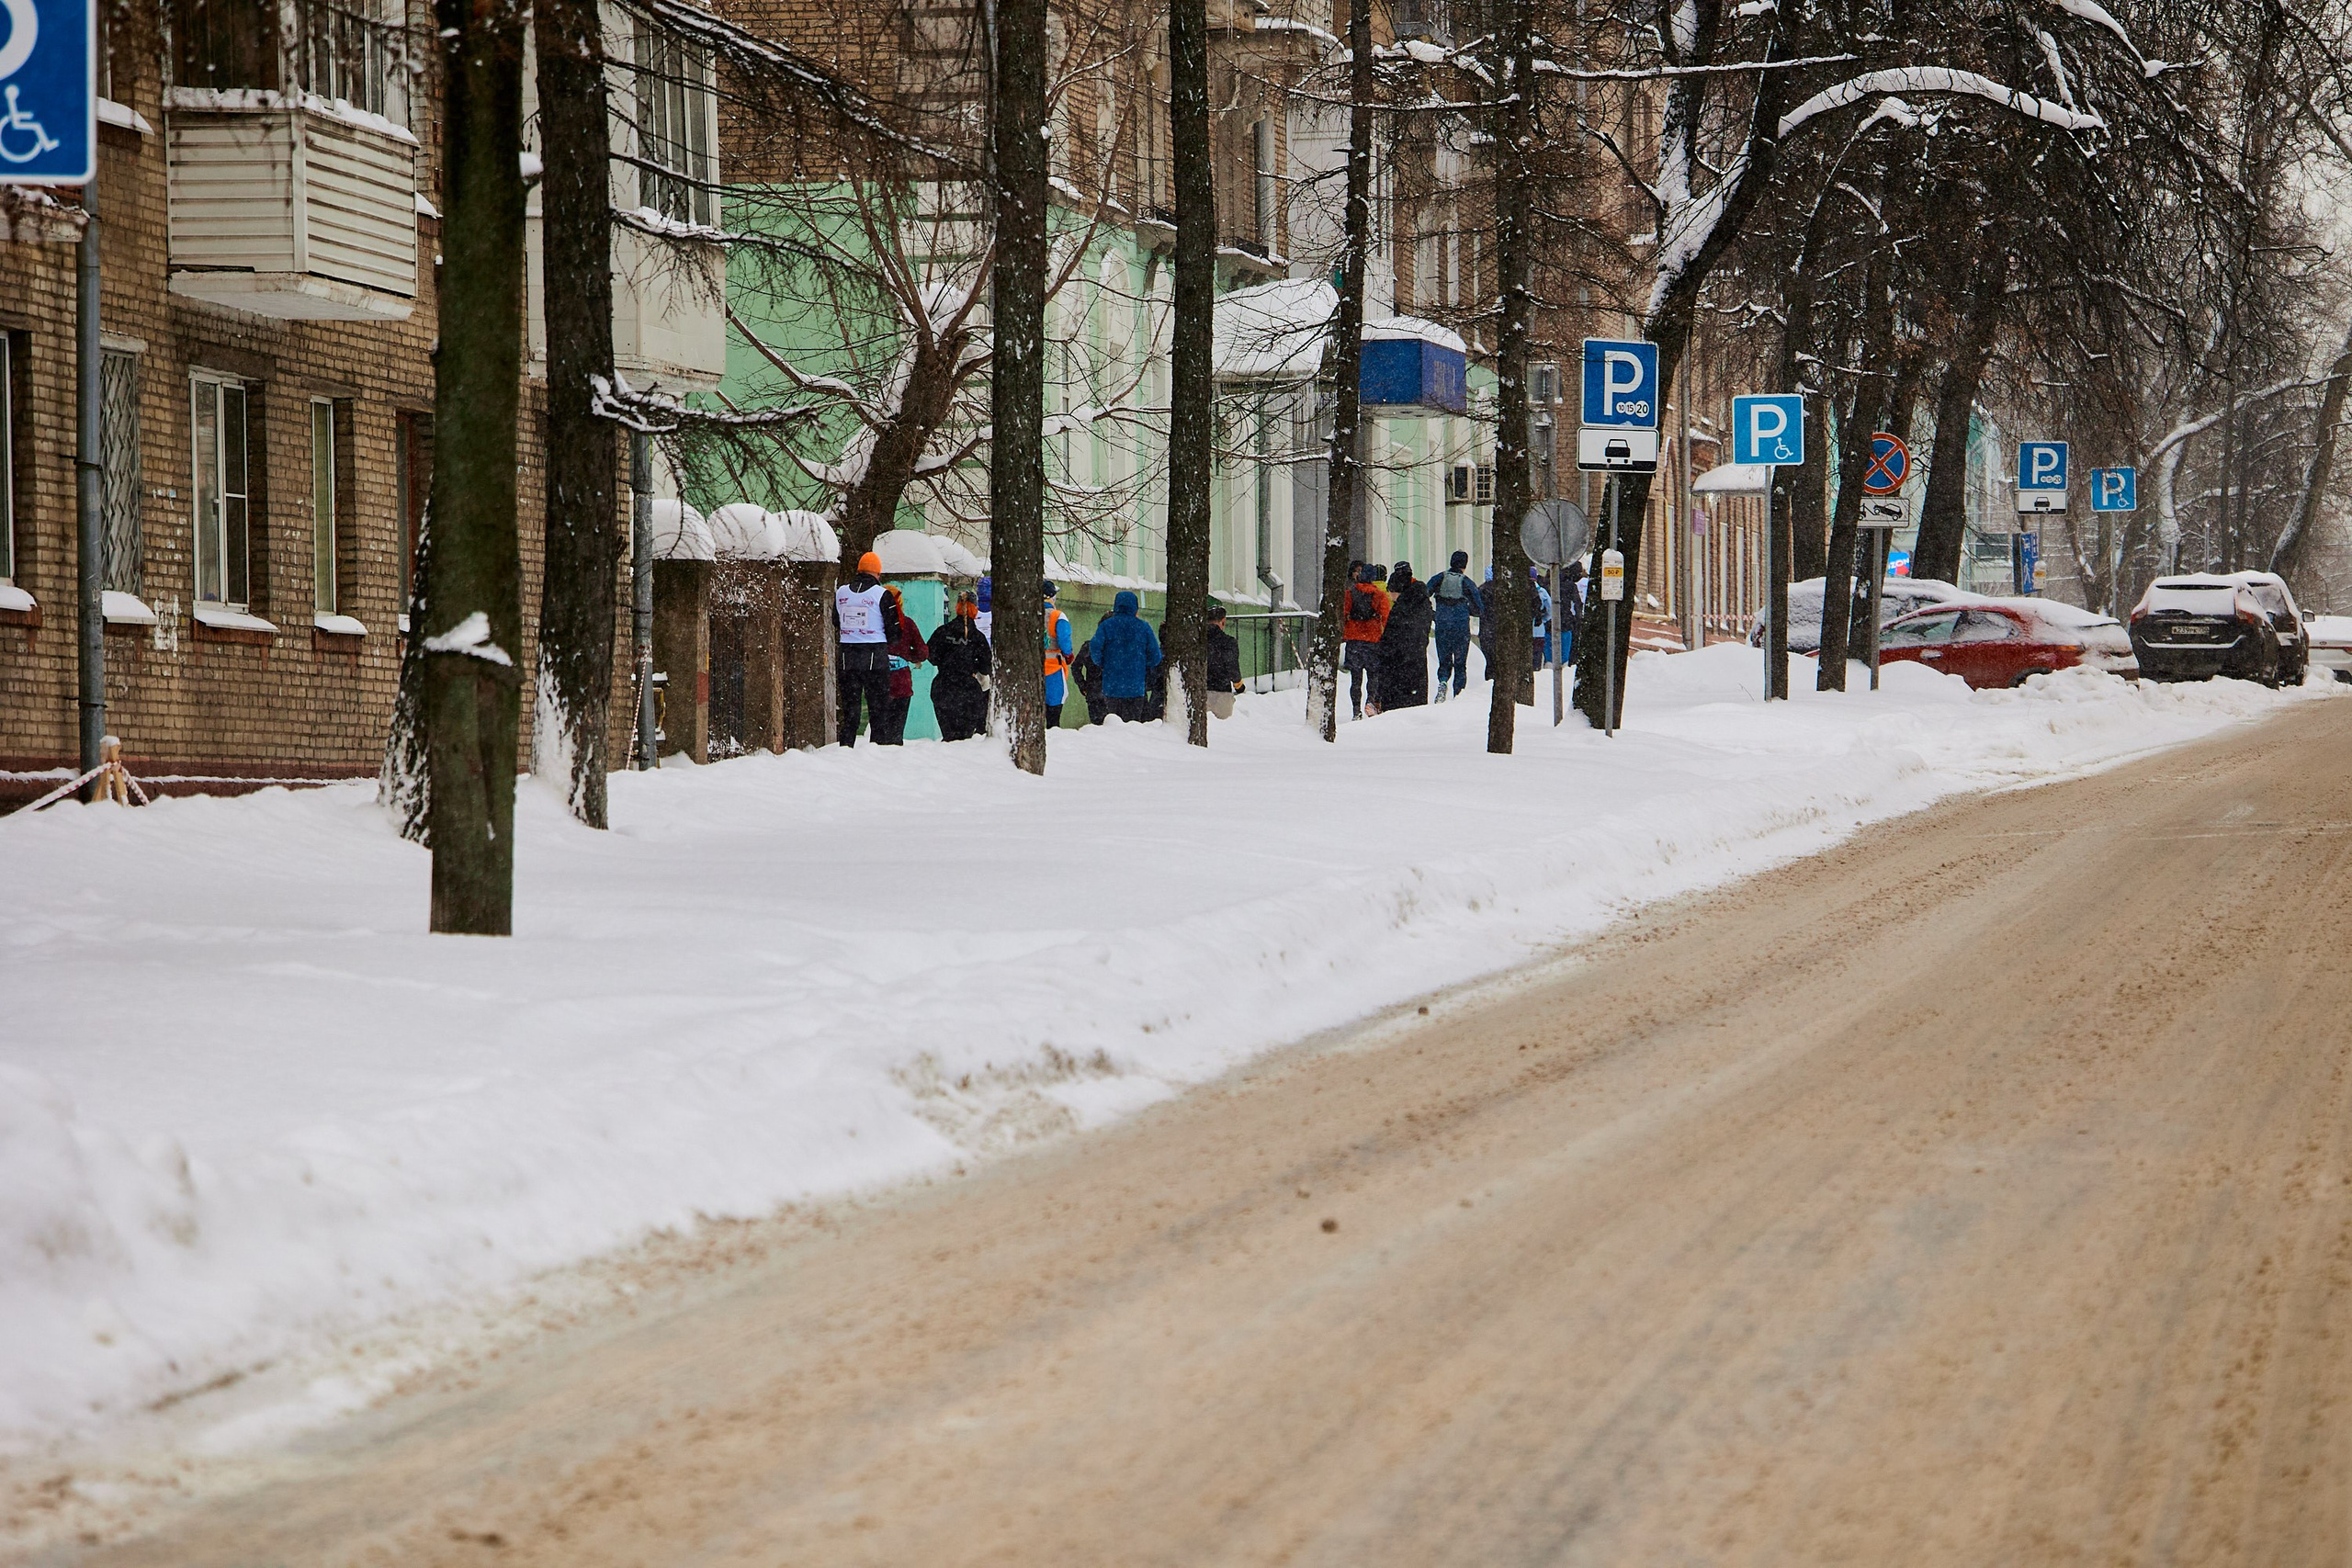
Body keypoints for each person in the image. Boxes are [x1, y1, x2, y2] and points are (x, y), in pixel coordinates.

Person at [832, 549, 903, 747]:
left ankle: (846, 748)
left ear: (858, 570)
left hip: (847, 658)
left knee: (851, 712)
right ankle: (876, 750)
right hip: (875, 659)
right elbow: (894, 632)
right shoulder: (882, 595)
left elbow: (835, 621)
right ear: (878, 574)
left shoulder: (841, 592)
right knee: (878, 710)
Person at [1086, 588, 1164, 721]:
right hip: (1136, 685)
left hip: (1112, 685)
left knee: (1113, 723)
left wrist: (1104, 663)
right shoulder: (1143, 627)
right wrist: (1143, 665)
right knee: (1133, 724)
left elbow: (1095, 648)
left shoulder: (1106, 626)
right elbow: (1156, 655)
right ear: (1135, 607)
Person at [927, 589, 990, 741]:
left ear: (956, 607)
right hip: (968, 692)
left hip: (942, 688)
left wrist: (946, 662)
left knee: (948, 737)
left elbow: (931, 655)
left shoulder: (943, 631)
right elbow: (986, 667)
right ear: (975, 609)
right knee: (964, 739)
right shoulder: (977, 637)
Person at [874, 582, 929, 745]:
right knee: (896, 732)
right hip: (901, 682)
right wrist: (907, 656)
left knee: (879, 734)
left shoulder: (874, 624)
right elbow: (923, 652)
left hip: (878, 681)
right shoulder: (907, 624)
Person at [1428, 549, 1482, 700]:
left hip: (1442, 625)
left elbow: (1424, 594)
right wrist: (1465, 609)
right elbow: (1479, 608)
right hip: (1461, 627)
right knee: (1460, 663)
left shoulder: (1439, 578)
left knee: (1444, 660)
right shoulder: (1466, 582)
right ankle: (1458, 693)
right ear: (1464, 565)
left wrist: (1435, 614)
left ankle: (1443, 681)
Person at [1378, 561, 1433, 710]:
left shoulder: (1401, 609)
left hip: (1399, 664)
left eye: (1391, 591)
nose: (1390, 595)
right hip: (1417, 657)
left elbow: (1390, 638)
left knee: (1398, 706)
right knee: (1415, 702)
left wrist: (1383, 652)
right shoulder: (1423, 601)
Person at [1340, 560, 1391, 717]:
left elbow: (1343, 613)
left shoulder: (1350, 593)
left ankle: (1356, 710)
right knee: (1373, 675)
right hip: (1373, 640)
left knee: (1355, 679)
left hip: (1354, 639)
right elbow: (1386, 616)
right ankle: (1370, 701)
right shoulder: (1379, 595)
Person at [1042, 581, 1077, 728]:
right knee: (1054, 711)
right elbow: (1064, 640)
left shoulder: (1028, 615)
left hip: (1031, 670)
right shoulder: (1058, 616)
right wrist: (1068, 655)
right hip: (1053, 669)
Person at [1204, 604, 1244, 719]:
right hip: (1222, 692)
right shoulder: (1229, 642)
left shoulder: (1197, 640)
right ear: (1223, 621)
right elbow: (1232, 666)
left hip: (1201, 691)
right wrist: (1239, 686)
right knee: (1224, 729)